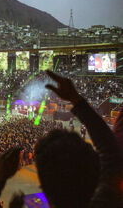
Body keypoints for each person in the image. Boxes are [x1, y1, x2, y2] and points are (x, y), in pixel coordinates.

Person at [34, 71, 123, 208]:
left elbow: (111, 155)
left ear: (46, 191)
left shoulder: (106, 199)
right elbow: (112, 154)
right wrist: (76, 100)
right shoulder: (109, 200)